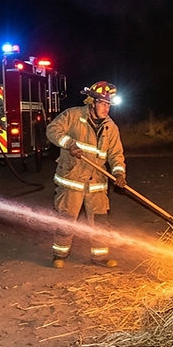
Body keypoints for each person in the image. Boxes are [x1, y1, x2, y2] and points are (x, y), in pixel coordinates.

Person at [45, 80, 127, 268]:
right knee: (67, 220)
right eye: (103, 103)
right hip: (71, 179)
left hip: (97, 183)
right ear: (92, 102)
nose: (106, 108)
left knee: (100, 222)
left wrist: (119, 174)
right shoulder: (73, 115)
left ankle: (99, 257)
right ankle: (59, 256)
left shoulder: (110, 127)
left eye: (108, 104)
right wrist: (69, 144)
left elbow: (116, 154)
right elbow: (52, 130)